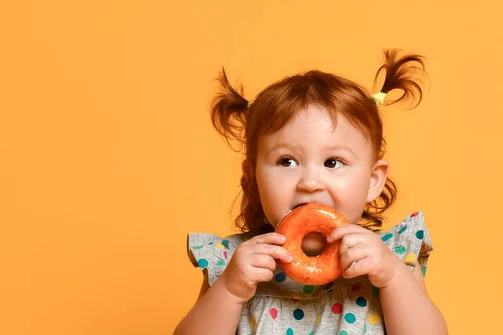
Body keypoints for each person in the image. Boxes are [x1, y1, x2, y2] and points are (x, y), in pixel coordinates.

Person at [174, 49, 447, 335]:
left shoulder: (391, 257)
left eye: (333, 162)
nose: (310, 182)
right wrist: (229, 291)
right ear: (253, 178)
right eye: (286, 161)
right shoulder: (234, 262)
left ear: (373, 180)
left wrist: (392, 277)